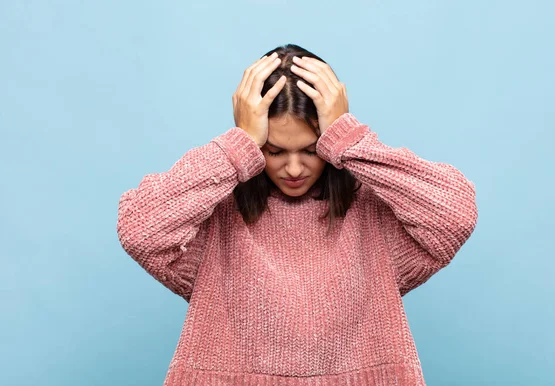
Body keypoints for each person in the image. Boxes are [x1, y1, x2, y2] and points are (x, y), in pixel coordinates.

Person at [116, 43, 478, 386]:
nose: (293, 168)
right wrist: (237, 144)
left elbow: (455, 214)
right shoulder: (216, 218)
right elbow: (138, 229)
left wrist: (349, 140)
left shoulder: (372, 215)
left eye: (311, 150)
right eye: (274, 151)